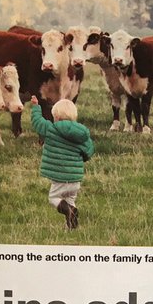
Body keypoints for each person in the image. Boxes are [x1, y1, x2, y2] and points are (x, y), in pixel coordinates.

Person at [29, 95, 94, 231]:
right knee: (70, 200)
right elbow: (89, 151)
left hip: (60, 177)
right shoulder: (82, 134)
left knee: (54, 198)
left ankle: (69, 212)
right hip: (75, 179)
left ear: (56, 116)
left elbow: (38, 122)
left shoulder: (51, 129)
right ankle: (71, 227)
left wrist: (35, 107)